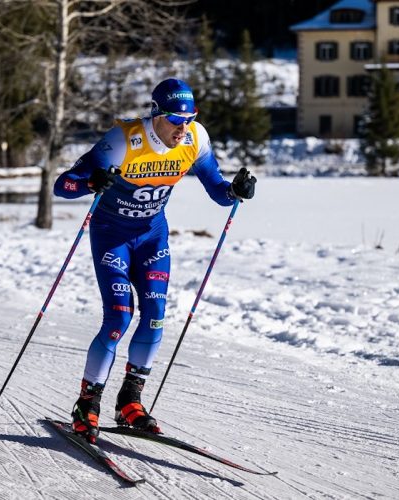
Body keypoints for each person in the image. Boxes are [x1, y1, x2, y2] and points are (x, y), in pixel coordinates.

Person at [53, 78, 256, 443]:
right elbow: (62, 185)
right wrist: (90, 183)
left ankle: (130, 400)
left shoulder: (195, 138)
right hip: (113, 237)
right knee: (118, 316)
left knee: (155, 316)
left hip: (152, 238)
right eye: (176, 120)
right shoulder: (123, 141)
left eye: (190, 119)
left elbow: (218, 191)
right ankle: (87, 404)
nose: (183, 128)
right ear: (156, 115)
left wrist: (234, 191)